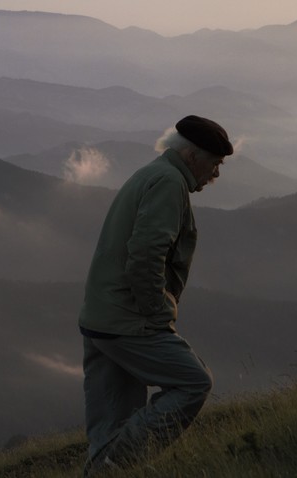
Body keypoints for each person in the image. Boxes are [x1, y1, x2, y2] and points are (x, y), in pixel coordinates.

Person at [78, 115, 234, 474]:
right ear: (194, 157)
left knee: (111, 422)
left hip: (100, 318)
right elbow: (146, 254)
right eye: (215, 163)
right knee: (194, 383)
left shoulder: (154, 172)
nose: (216, 174)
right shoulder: (169, 183)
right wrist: (156, 315)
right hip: (128, 319)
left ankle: (108, 467)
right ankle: (121, 463)